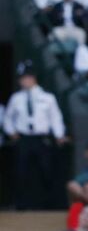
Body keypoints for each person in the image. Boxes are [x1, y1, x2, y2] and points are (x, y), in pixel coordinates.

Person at [2, 62, 66, 209]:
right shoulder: (16, 98)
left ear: (32, 78)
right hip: (24, 138)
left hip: (41, 138)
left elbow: (55, 118)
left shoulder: (48, 97)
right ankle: (21, 204)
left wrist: (59, 135)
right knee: (21, 171)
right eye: (20, 78)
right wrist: (11, 132)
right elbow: (7, 118)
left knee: (46, 170)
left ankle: (48, 204)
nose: (22, 81)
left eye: (24, 78)